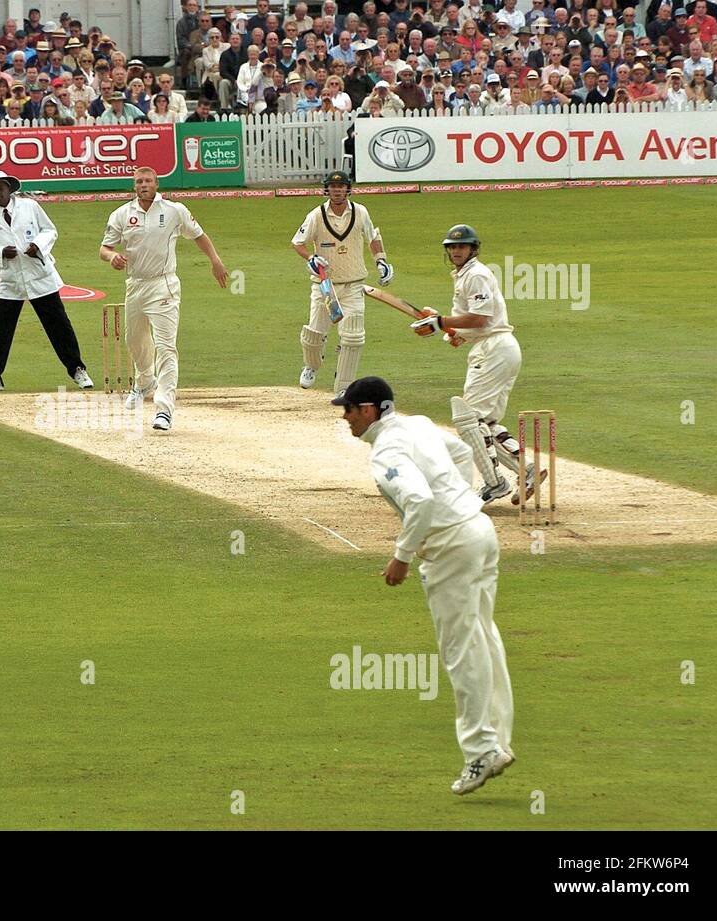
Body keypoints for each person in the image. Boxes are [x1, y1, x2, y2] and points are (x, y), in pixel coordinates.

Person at [333, 376, 515, 796]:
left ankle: (482, 750)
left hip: (452, 546)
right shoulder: (416, 424)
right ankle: (495, 742)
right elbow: (462, 451)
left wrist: (402, 556)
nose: (345, 417)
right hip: (479, 532)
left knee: (460, 650)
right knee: (483, 638)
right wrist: (461, 500)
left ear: (370, 410)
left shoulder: (387, 451)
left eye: (349, 409)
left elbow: (419, 500)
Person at [410, 225, 542, 505]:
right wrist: (455, 333)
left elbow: (481, 319)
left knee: (467, 419)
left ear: (473, 248)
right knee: (485, 422)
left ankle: (495, 484)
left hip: (494, 349)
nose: (456, 251)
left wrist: (440, 323)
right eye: (452, 247)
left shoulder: (477, 274)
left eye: (462, 246)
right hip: (495, 348)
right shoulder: (465, 275)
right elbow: (475, 323)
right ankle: (526, 470)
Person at [99, 167, 229, 432]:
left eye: (148, 180)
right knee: (133, 340)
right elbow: (105, 247)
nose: (144, 185)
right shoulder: (122, 214)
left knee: (166, 346)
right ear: (134, 186)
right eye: (139, 181)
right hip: (135, 285)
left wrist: (215, 260)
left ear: (157, 183)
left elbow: (199, 235)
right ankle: (145, 380)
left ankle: (164, 409)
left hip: (164, 284)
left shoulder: (174, 210)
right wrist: (112, 257)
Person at [0, 171, 93, 393]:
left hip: (39, 276)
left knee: (58, 325)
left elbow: (50, 231)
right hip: (10, 281)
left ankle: (78, 370)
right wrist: (1, 253)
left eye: (0, 188)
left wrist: (38, 245)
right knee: (0, 329)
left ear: (10, 189)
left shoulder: (30, 207)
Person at [291, 170, 392, 397]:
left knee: (353, 336)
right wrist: (311, 258)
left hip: (354, 284)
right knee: (314, 334)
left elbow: (372, 237)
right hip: (324, 285)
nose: (337, 190)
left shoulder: (361, 212)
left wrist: (381, 261)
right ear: (327, 189)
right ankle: (312, 366)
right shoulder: (316, 215)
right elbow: (297, 242)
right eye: (333, 187)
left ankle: (344, 386)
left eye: (341, 186)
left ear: (348, 189)